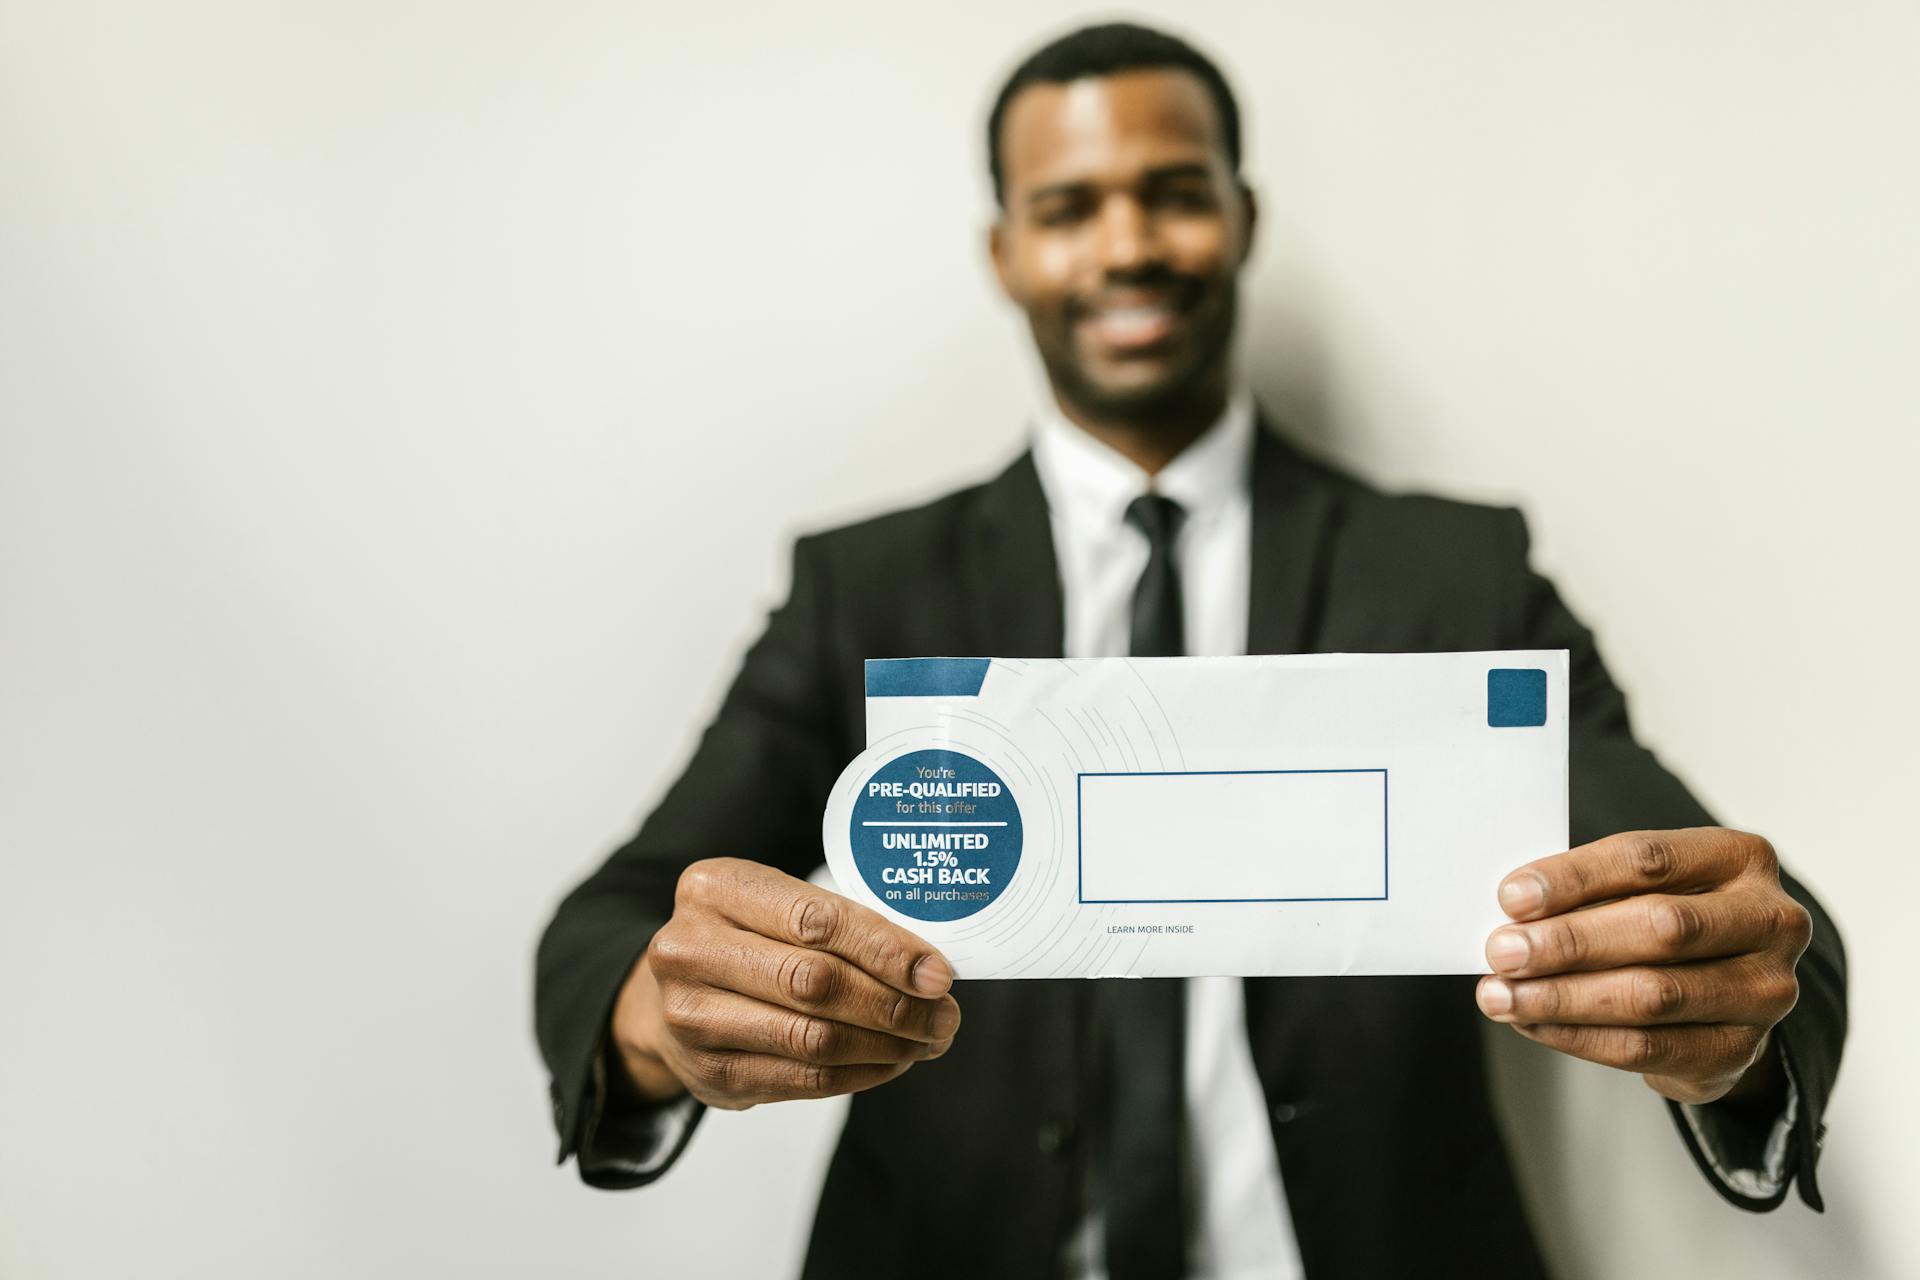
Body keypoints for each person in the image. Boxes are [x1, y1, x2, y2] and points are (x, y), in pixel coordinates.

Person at [534, 22, 1846, 1280]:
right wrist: (659, 1023)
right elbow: (610, 924)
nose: (1127, 245)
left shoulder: (1458, 577)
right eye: (1069, 209)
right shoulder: (866, 591)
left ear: (1244, 218)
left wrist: (1733, 1024)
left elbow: (1762, 927)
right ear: (1003, 252)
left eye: (1173, 193)